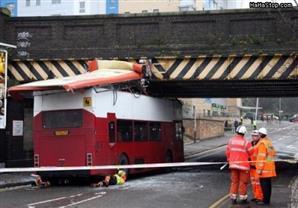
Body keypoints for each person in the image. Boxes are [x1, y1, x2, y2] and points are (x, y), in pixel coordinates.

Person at [226, 125, 251, 205]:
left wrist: (229, 160)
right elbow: (251, 153)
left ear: (236, 131)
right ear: (244, 133)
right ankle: (243, 198)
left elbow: (227, 152)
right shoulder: (246, 142)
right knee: (243, 182)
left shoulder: (231, 141)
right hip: (244, 166)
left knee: (234, 182)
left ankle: (233, 199)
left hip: (233, 165)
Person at [255, 127, 276, 205]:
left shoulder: (262, 143)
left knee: (264, 186)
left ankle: (265, 201)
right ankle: (267, 200)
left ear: (260, 134)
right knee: (268, 185)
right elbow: (273, 153)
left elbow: (261, 157)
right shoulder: (269, 142)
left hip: (264, 169)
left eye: (258, 134)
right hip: (270, 168)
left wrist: (259, 169)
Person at [248, 130, 263, 203]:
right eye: (253, 136)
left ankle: (260, 197)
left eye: (256, 136)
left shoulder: (260, 144)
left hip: (258, 167)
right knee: (253, 183)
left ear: (259, 136)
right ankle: (256, 196)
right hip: (251, 167)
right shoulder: (250, 144)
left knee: (258, 183)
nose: (254, 137)